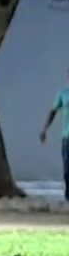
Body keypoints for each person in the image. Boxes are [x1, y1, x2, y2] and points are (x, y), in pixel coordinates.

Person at [39, 69, 69, 201]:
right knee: (67, 168)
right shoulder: (63, 94)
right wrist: (45, 129)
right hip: (67, 137)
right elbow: (53, 112)